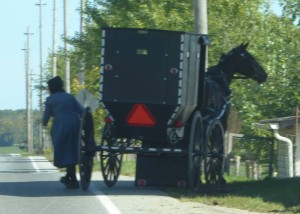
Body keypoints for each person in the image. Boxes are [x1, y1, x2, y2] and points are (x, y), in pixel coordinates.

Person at [43, 76, 83, 189]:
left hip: (60, 125)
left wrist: (44, 123)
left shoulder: (50, 99)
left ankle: (71, 178)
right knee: (71, 149)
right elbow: (81, 111)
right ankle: (71, 177)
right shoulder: (69, 97)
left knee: (62, 149)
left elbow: (46, 116)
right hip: (75, 124)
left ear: (51, 88)